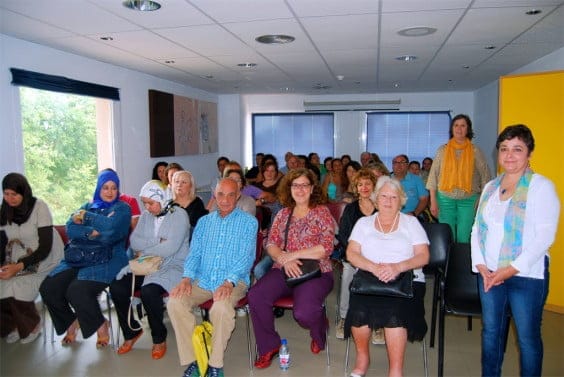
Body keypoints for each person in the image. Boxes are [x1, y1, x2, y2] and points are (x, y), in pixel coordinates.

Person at [471, 124, 560, 377]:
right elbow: (477, 228)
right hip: (488, 274)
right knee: (491, 333)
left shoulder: (541, 186)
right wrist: (481, 267)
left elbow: (545, 237)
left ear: (529, 153)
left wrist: (509, 270)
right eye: (504, 149)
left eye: (517, 149)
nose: (509, 155)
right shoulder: (490, 187)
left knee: (528, 338)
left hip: (526, 276)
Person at [167, 178, 257, 377]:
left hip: (233, 281)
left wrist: (229, 282)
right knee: (175, 302)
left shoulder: (248, 222)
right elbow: (194, 254)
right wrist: (186, 279)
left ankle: (215, 364)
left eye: (230, 195)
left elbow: (246, 257)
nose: (225, 200)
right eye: (221, 194)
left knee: (221, 309)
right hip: (204, 278)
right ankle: (195, 361)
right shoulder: (204, 222)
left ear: (238, 196)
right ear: (214, 195)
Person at [249, 168, 335, 369]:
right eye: (295, 185)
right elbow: (271, 243)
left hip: (316, 271)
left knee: (303, 313)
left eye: (304, 185)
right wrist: (284, 259)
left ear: (312, 188)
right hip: (283, 268)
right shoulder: (283, 213)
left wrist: (293, 255)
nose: (300, 189)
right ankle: (269, 346)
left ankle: (319, 326)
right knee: (256, 295)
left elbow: (326, 248)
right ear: (289, 188)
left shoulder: (322, 212)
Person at [345, 176, 429, 377]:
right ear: (375, 199)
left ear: (401, 200)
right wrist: (374, 268)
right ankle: (363, 358)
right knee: (358, 311)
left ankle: (396, 370)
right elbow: (351, 253)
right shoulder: (364, 223)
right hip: (369, 278)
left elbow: (423, 257)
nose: (388, 201)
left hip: (406, 280)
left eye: (393, 197)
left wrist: (397, 267)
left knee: (395, 314)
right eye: (384, 196)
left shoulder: (411, 222)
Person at [39, 170, 131, 348]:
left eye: (114, 188)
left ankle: (101, 325)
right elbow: (70, 229)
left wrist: (86, 218)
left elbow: (111, 232)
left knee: (76, 290)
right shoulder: (87, 205)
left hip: (109, 259)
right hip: (80, 257)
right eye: (105, 187)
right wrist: (92, 232)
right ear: (99, 188)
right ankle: (71, 322)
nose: (110, 192)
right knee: (48, 287)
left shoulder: (122, 209)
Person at [110, 180, 190, 359]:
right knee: (117, 286)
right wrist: (156, 242)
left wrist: (145, 249)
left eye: (151, 203)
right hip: (146, 263)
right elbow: (134, 241)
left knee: (149, 291)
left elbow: (171, 249)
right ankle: (132, 332)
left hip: (172, 265)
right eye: (144, 203)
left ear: (164, 199)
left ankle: (158, 338)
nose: (147, 207)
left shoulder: (179, 215)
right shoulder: (146, 216)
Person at [0, 173, 64, 344]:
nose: (10, 199)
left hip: (45, 258)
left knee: (16, 285)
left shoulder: (39, 207)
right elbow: (1, 242)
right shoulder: (4, 210)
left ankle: (32, 324)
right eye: (6, 194)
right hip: (19, 256)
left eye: (14, 194)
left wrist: (18, 267)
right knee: (2, 285)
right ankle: (13, 325)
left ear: (24, 192)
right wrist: (3, 266)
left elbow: (45, 248)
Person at [334, 169, 382, 345]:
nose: (364, 187)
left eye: (368, 183)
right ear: (356, 188)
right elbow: (344, 236)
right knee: (348, 272)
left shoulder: (382, 208)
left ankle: (378, 322)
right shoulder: (350, 209)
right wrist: (358, 256)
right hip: (355, 256)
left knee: (383, 275)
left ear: (374, 186)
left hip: (379, 257)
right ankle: (344, 317)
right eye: (360, 184)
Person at [427, 114, 491, 242]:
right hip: (445, 200)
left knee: (464, 237)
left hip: (469, 200)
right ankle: (448, 262)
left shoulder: (475, 151)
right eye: (456, 125)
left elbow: (486, 176)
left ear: (468, 129)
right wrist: (433, 201)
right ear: (452, 129)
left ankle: (462, 262)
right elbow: (433, 176)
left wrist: (481, 199)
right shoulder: (442, 150)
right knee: (447, 236)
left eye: (463, 125)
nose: (459, 128)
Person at [171, 170, 208, 240]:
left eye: (184, 182)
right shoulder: (169, 204)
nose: (179, 185)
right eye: (177, 182)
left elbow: (198, 228)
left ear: (191, 186)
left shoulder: (197, 203)